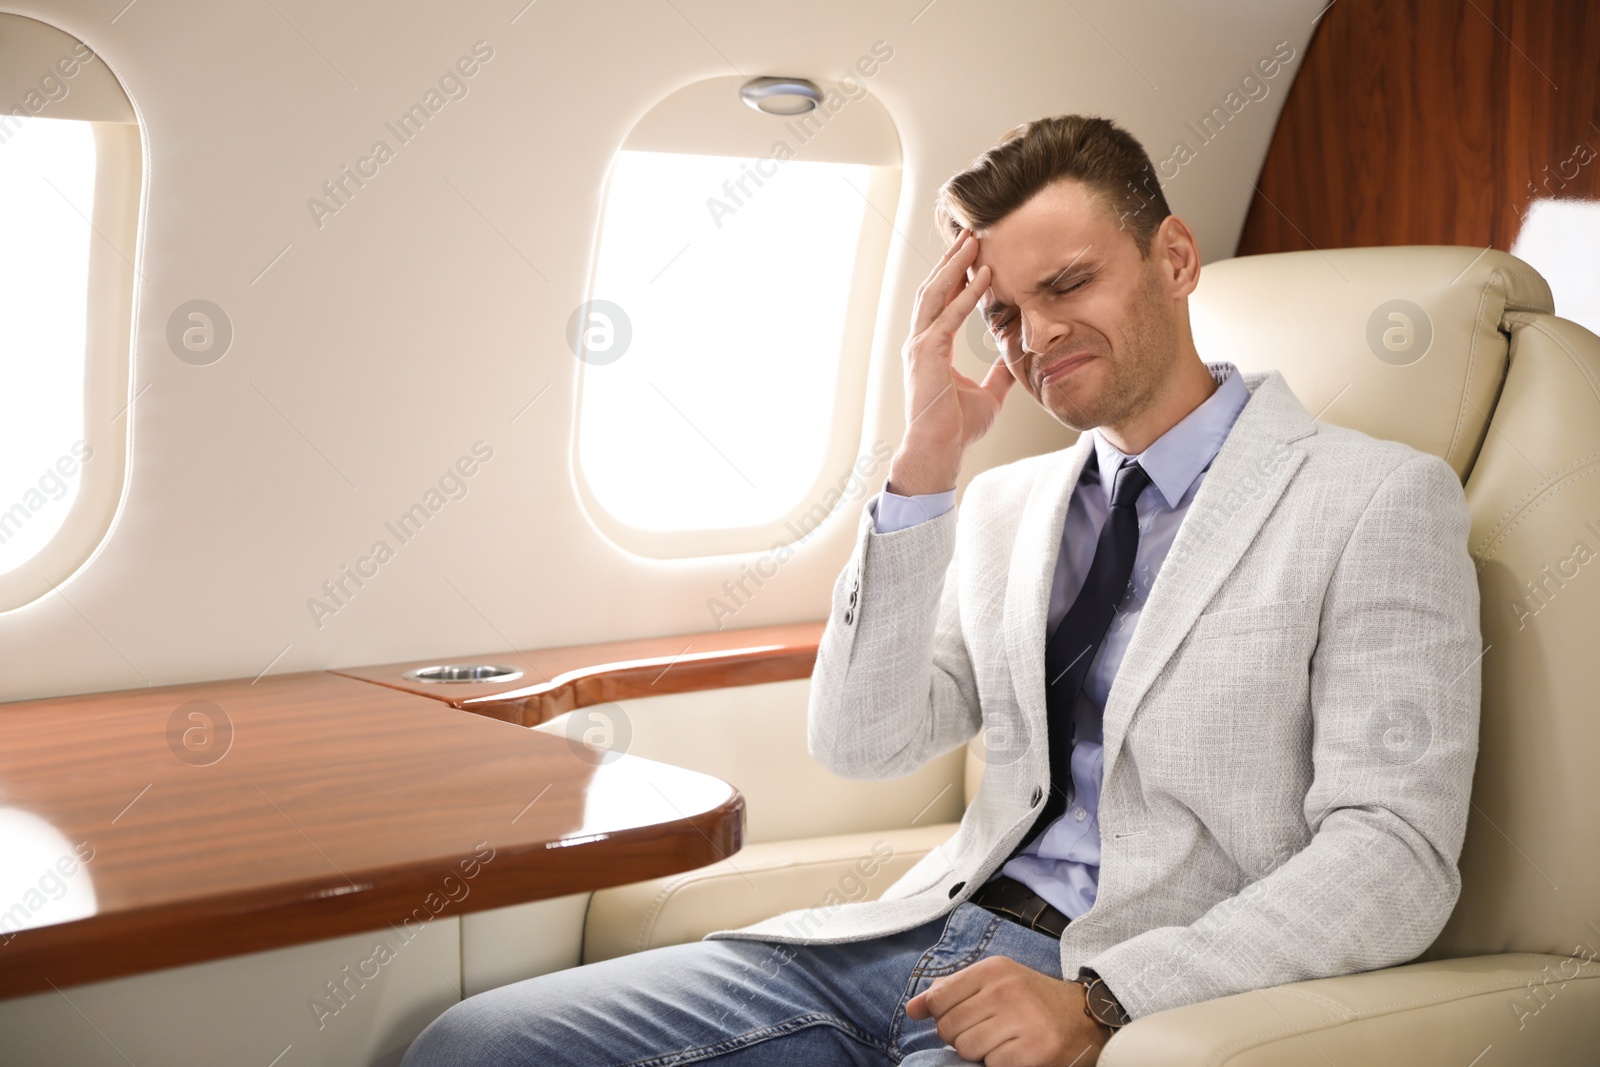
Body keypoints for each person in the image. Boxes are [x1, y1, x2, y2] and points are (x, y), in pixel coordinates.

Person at [402, 114, 1481, 1067]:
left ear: (1176, 258)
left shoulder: (1372, 499)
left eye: (1067, 284)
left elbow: (1394, 857)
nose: (1035, 335)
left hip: (1120, 978)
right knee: (474, 1045)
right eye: (1002, 314)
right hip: (916, 937)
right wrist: (923, 462)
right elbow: (862, 740)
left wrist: (1103, 1001)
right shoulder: (1013, 504)